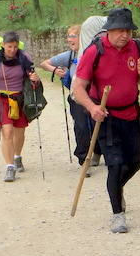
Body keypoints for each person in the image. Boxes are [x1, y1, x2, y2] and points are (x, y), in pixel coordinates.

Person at [71, 8, 140, 233]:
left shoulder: (137, 47)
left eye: (128, 30)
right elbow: (79, 86)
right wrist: (92, 107)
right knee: (115, 165)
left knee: (135, 162)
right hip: (106, 117)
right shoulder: (95, 51)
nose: (125, 35)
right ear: (109, 30)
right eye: (120, 30)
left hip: (132, 114)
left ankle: (116, 190)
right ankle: (118, 214)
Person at [38, 18, 105, 169]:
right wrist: (55, 70)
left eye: (72, 36)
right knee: (81, 127)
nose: (69, 40)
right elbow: (44, 63)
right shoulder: (69, 56)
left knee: (98, 125)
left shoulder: (95, 53)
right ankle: (83, 160)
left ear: (83, 37)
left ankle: (97, 152)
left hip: (95, 95)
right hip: (76, 97)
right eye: (68, 36)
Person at [0, 31, 40, 183]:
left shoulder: (24, 58)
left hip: (20, 99)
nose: (12, 50)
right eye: (9, 47)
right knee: (7, 132)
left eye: (15, 46)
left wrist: (35, 79)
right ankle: (10, 167)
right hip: (1, 99)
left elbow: (33, 80)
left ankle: (17, 156)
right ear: (3, 45)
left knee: (20, 132)